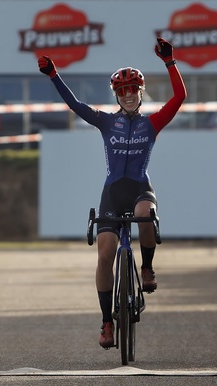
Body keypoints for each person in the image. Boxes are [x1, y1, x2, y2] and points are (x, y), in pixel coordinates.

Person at [38, 37, 187, 349]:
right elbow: (75, 105)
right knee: (105, 255)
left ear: (140, 92)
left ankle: (146, 267)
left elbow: (179, 96)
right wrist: (54, 75)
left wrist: (169, 62)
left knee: (145, 215)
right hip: (112, 193)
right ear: (117, 96)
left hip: (140, 189)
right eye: (122, 91)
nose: (128, 95)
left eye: (133, 90)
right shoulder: (106, 122)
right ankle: (107, 321)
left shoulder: (153, 123)